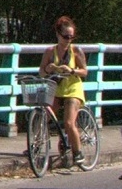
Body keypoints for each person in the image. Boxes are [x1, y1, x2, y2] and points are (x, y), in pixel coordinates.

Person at [38, 16, 88, 165]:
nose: (68, 40)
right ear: (58, 35)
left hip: (72, 88)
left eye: (71, 37)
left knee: (68, 122)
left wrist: (72, 70)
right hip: (56, 88)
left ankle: (77, 152)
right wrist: (49, 68)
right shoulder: (50, 51)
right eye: (66, 36)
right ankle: (37, 145)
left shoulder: (76, 51)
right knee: (44, 116)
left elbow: (85, 72)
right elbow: (41, 71)